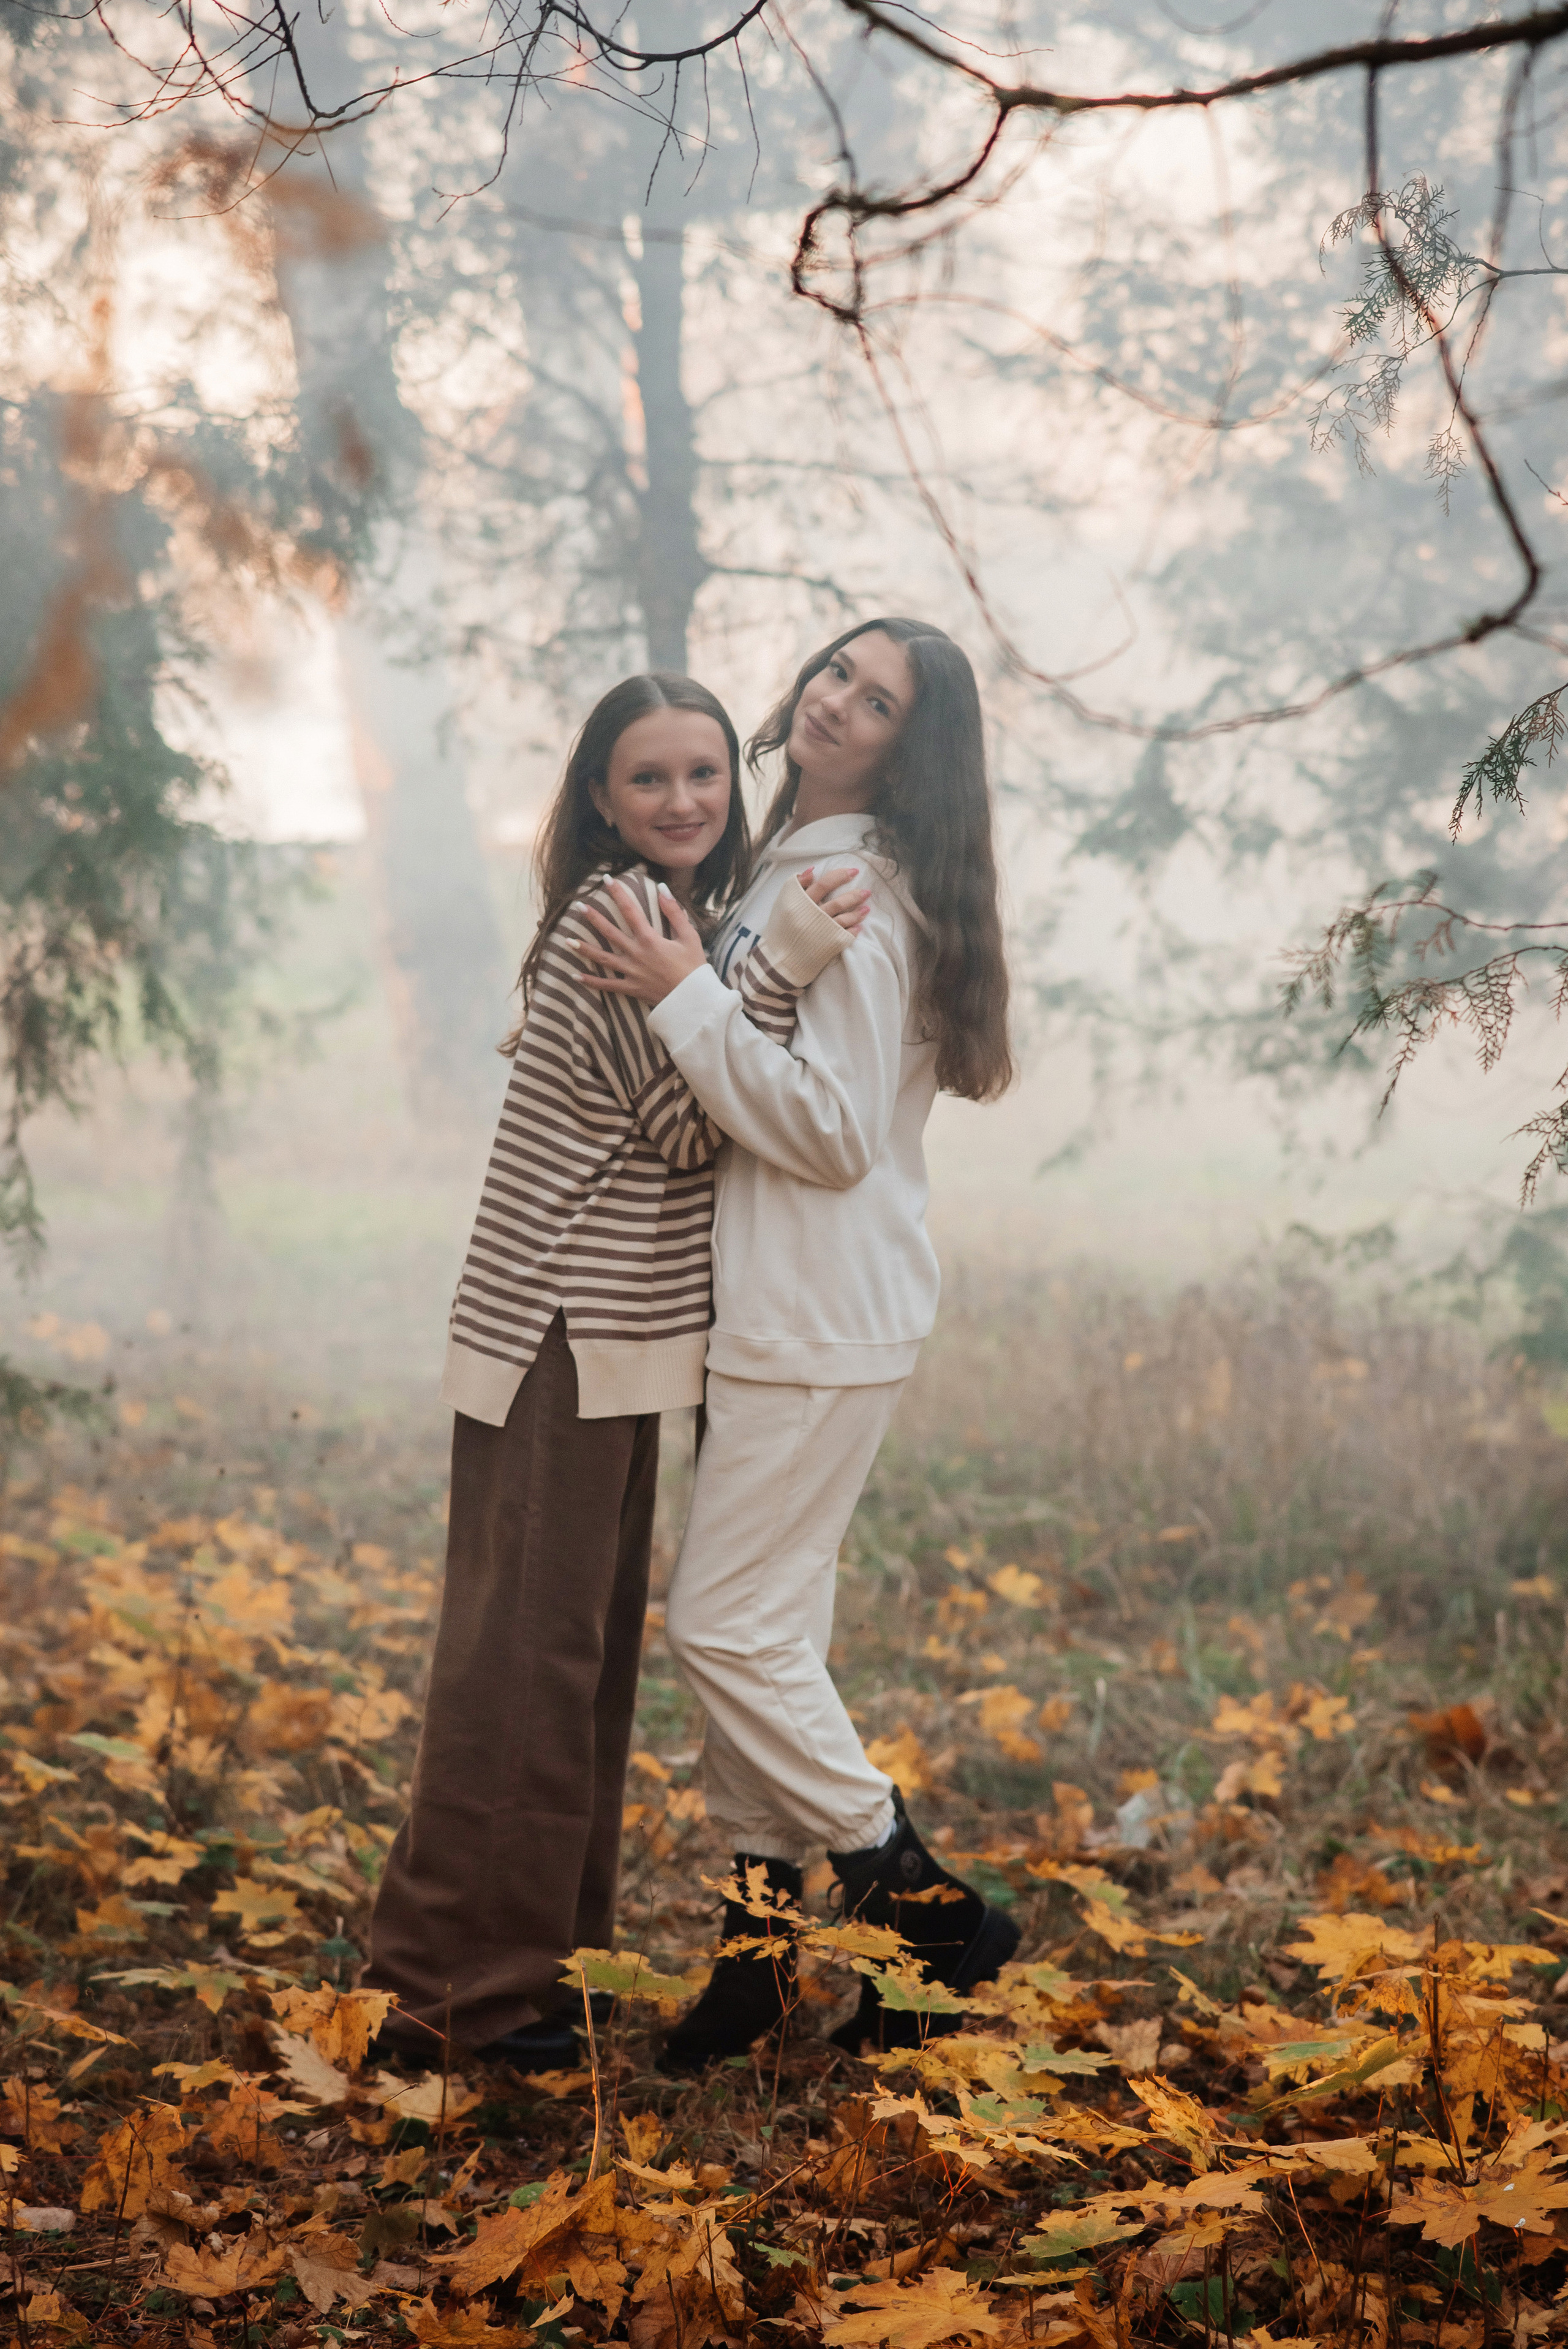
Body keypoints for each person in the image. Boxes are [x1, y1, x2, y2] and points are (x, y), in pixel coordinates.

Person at [364, 671, 869, 2070]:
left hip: (613, 1345)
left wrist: (724, 972)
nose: (683, 799)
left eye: (704, 773)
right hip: (557, 1336)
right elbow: (690, 1126)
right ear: (599, 795)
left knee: (570, 1669)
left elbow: (686, 1089)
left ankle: (530, 1972)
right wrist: (781, 967)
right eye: (649, 777)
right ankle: (451, 2003)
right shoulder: (622, 918)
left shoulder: (673, 920)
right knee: (522, 1672)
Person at [574, 618, 1016, 2065]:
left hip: (817, 1312)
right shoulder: (791, 857)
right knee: (773, 1632)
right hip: (781, 1307)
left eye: (875, 701)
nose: (835, 701)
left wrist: (683, 995)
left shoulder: (853, 893)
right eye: (835, 671)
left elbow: (829, 1131)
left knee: (722, 1629)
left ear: (909, 749)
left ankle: (919, 1903)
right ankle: (757, 1960)